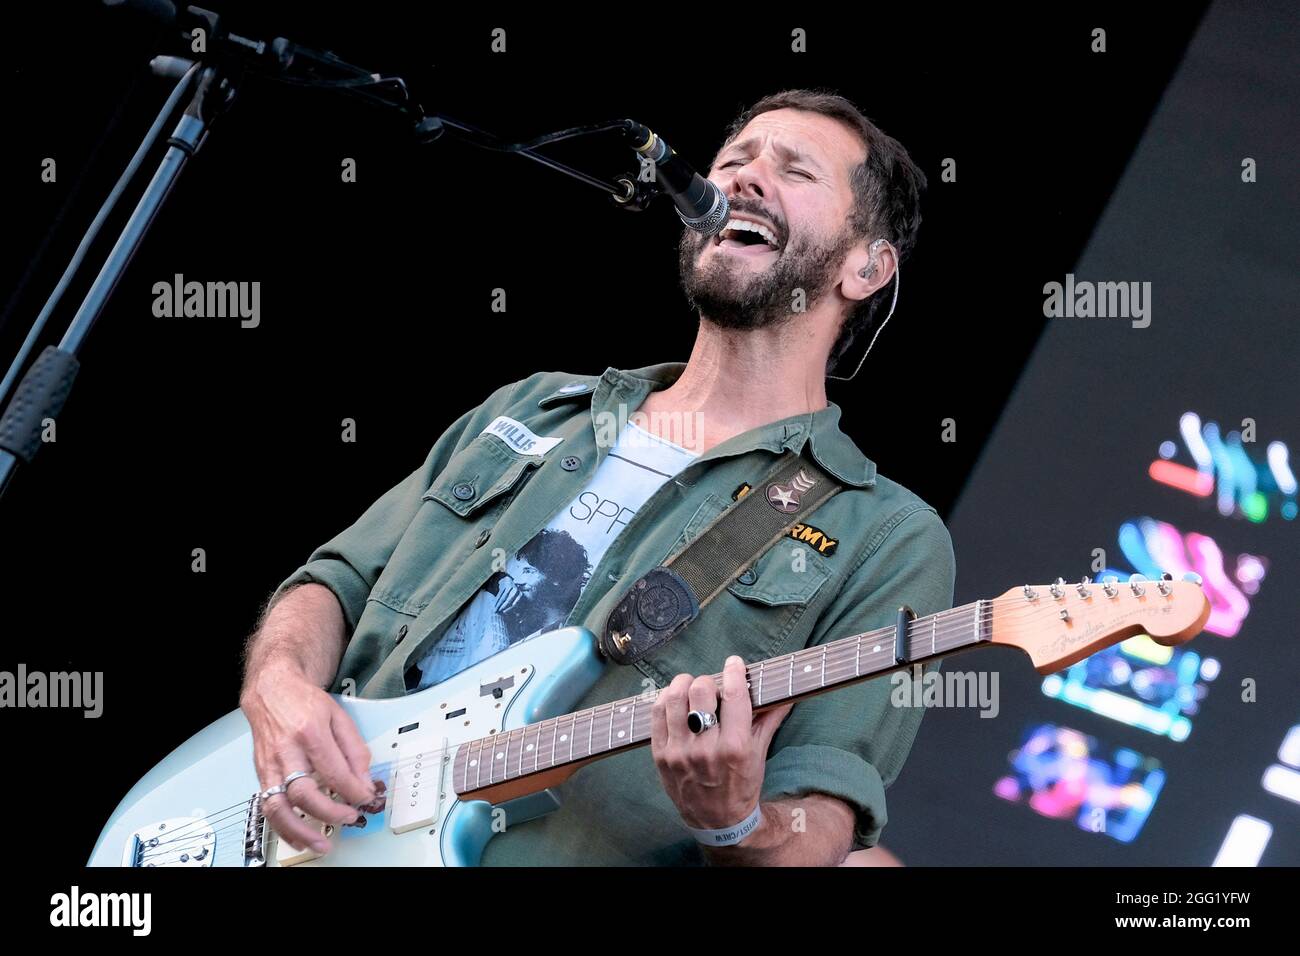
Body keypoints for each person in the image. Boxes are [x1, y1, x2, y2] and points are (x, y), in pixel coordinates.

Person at [239, 88, 955, 866]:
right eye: (734, 160)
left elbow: (821, 823)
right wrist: (278, 686)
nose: (746, 179)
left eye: (795, 171)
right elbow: (333, 581)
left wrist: (736, 821)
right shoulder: (538, 406)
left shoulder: (885, 535)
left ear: (867, 266)